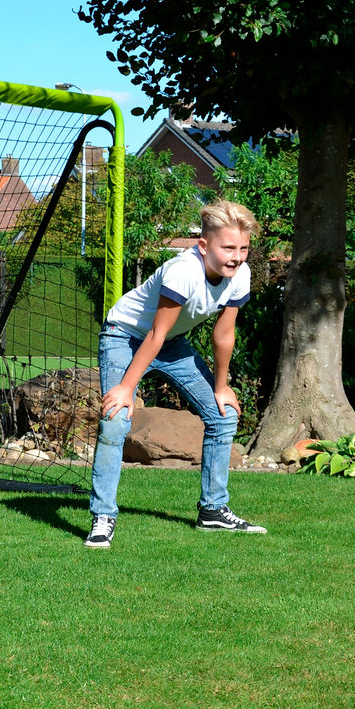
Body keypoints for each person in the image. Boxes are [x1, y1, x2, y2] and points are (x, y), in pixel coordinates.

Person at [84, 199, 267, 548]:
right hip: (125, 336)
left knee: (223, 414)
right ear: (203, 246)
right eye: (228, 247)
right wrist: (126, 388)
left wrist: (222, 386)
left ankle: (213, 511)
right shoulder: (183, 271)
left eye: (243, 248)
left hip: (171, 343)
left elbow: (224, 334)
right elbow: (153, 334)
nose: (237, 256)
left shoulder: (240, 275)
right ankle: (103, 516)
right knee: (116, 418)